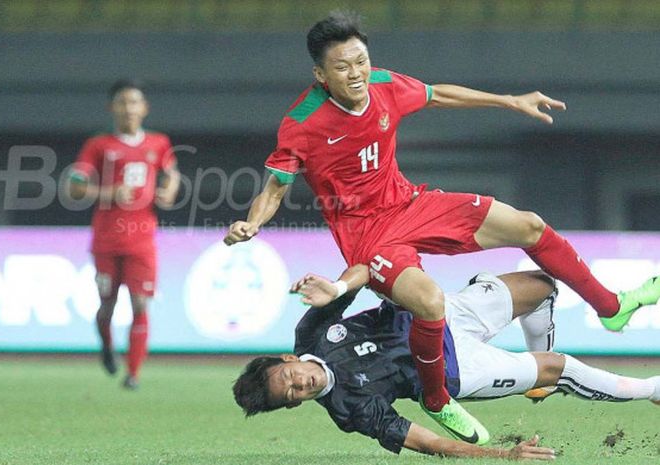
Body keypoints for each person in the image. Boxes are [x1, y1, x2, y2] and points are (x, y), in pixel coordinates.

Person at [224, 11, 660, 438]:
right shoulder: (302, 123)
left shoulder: (384, 85)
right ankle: (436, 399)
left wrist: (507, 100)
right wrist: (252, 222)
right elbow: (275, 188)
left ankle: (611, 308)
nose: (356, 73)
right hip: (368, 236)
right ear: (321, 74)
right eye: (342, 67)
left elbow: (438, 94)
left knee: (529, 226)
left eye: (361, 61)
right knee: (430, 303)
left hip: (409, 203)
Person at [233, 269, 660, 459]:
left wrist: (338, 284)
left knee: (543, 286)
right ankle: (652, 390)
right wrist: (502, 456)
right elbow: (427, 444)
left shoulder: (311, 332)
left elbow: (363, 270)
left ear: (288, 360)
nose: (299, 386)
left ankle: (539, 385)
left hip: (441, 313)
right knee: (560, 364)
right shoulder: (350, 409)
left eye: (289, 377)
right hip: (457, 369)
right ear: (292, 405)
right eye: (290, 395)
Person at [68, 79, 180, 389]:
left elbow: (172, 173)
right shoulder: (99, 146)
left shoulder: (158, 143)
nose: (128, 108)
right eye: (122, 102)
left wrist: (168, 191)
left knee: (141, 303)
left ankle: (133, 373)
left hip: (142, 238)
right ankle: (106, 344)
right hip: (106, 239)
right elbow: (74, 186)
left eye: (134, 102)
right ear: (111, 108)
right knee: (107, 305)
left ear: (144, 108)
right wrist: (109, 191)